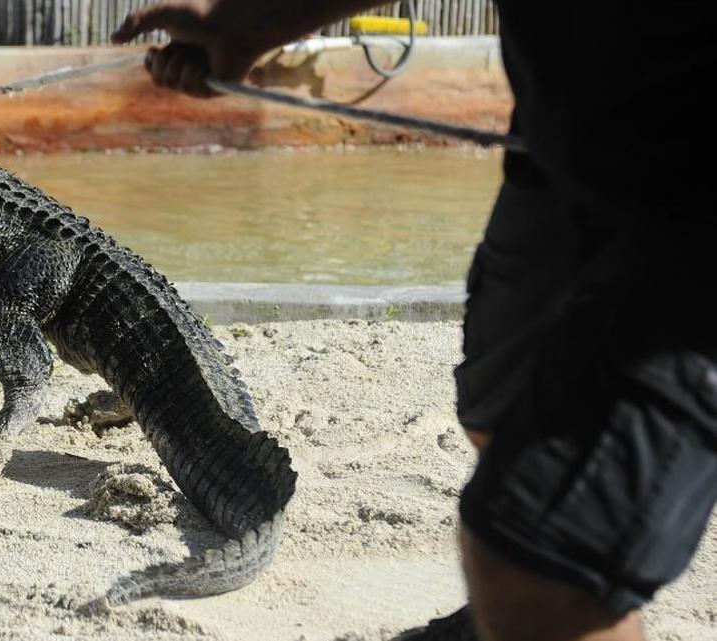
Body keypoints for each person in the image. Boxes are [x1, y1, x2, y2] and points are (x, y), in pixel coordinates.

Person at [111, 2, 717, 640]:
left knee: (542, 568)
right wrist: (254, 22)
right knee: (497, 406)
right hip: (572, 137)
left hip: (691, 190)